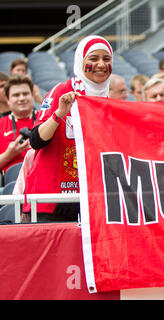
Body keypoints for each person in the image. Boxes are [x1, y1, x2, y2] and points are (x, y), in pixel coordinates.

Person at [23, 35, 114, 223]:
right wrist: (59, 113)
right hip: (51, 199)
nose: (101, 64)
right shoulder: (62, 91)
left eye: (106, 59)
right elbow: (36, 140)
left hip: (90, 201)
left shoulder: (109, 102)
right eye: (93, 59)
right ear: (81, 61)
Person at [0, 74, 38, 173]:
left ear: (32, 96)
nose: (21, 98)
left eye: (25, 94)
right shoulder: (1, 124)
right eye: (16, 95)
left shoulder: (46, 119)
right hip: (12, 183)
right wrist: (9, 154)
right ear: (7, 100)